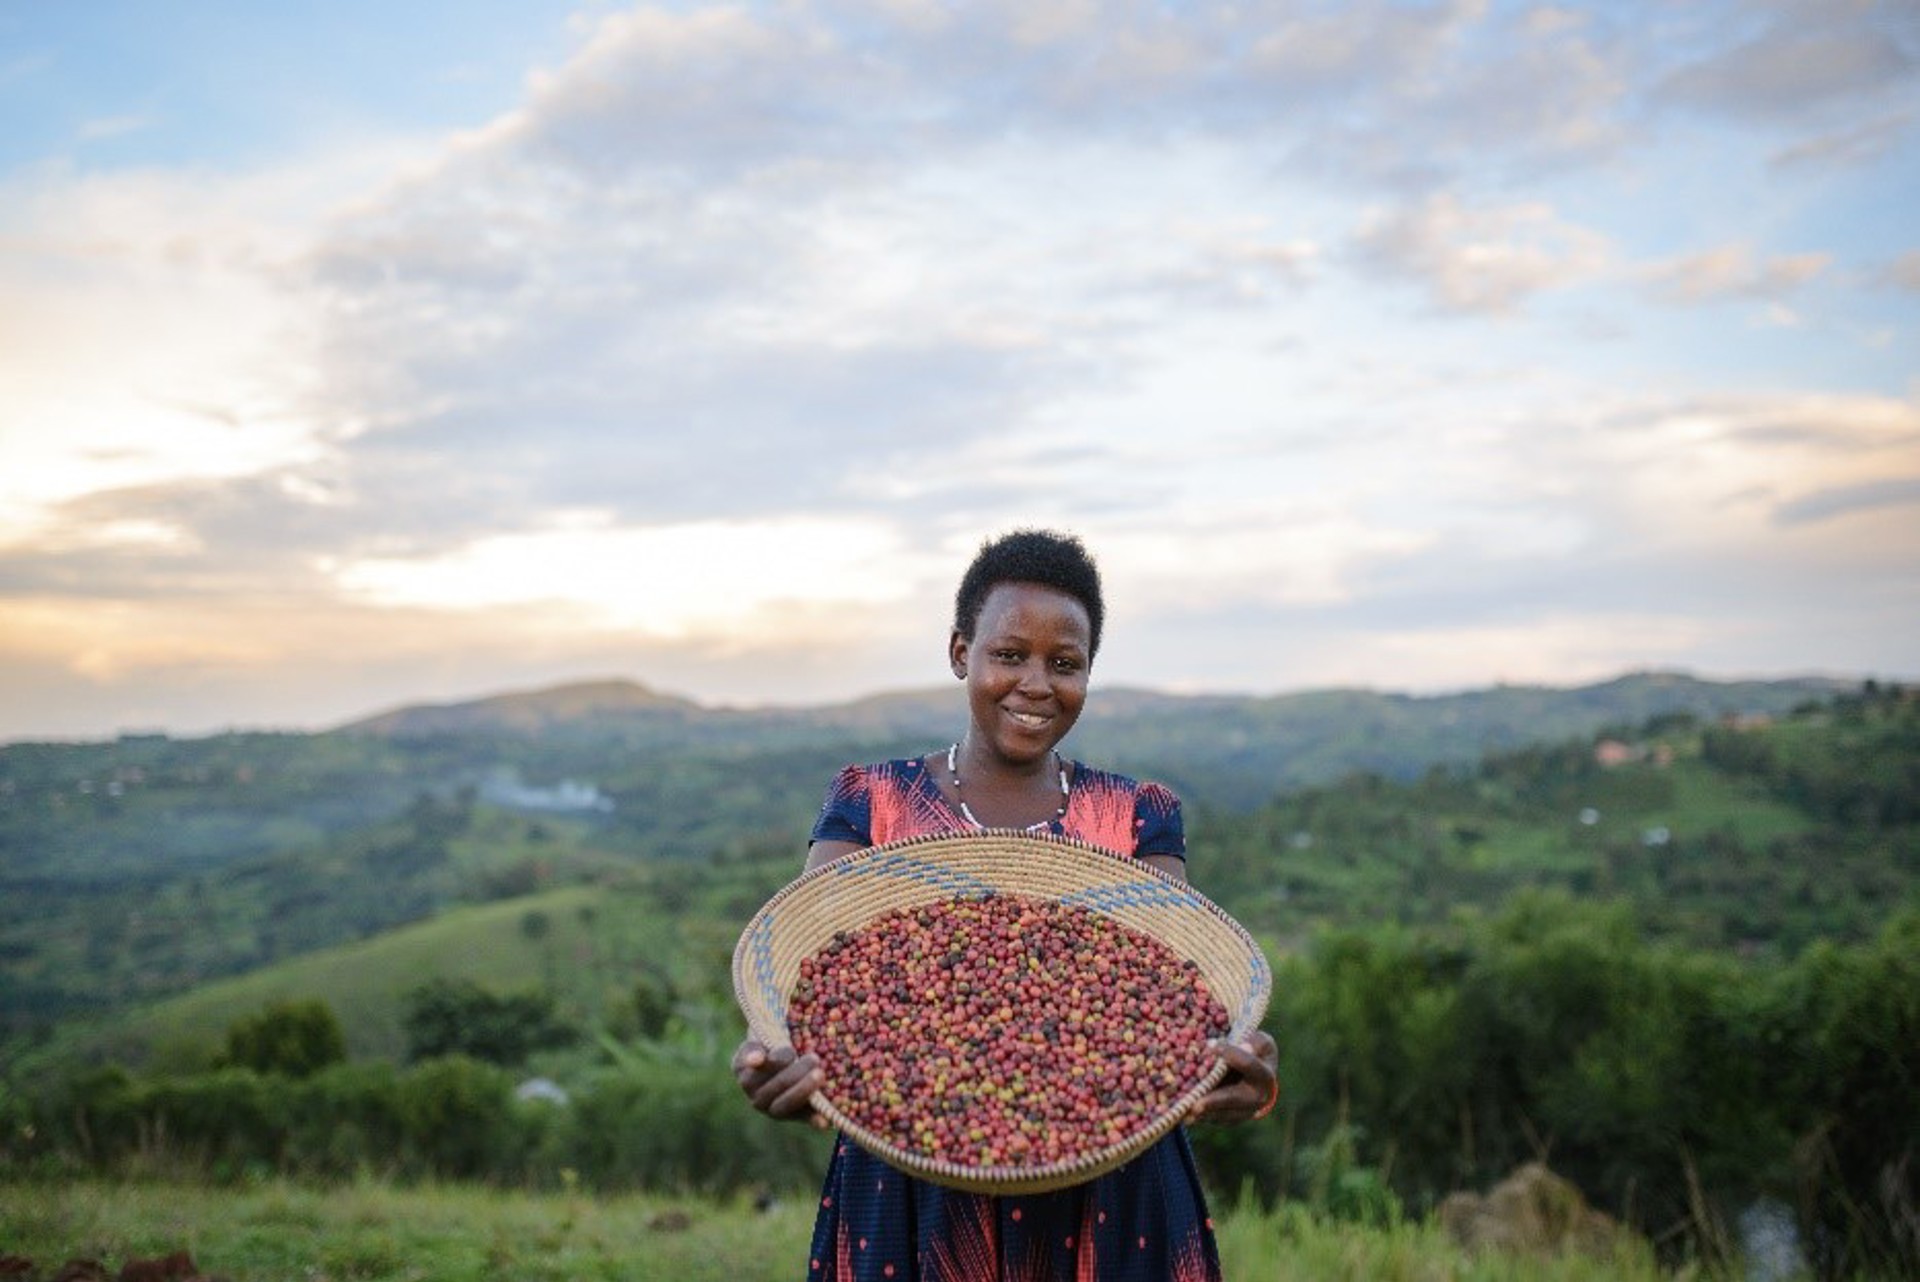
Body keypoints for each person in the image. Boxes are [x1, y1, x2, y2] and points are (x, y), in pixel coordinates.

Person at [733, 528, 1280, 1282]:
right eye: (1008, 654)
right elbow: (811, 972)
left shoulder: (1139, 814)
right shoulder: (872, 799)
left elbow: (1167, 989)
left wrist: (1234, 1070)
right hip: (912, 1189)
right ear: (962, 653)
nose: (1036, 683)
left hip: (1111, 1190)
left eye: (1065, 663)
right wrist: (772, 1051)